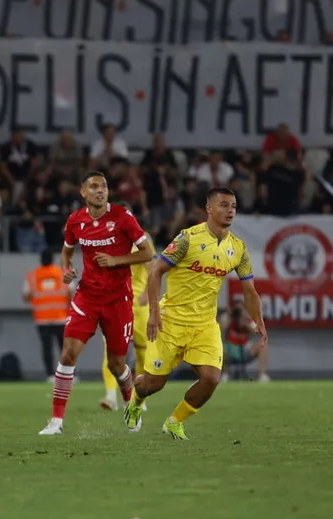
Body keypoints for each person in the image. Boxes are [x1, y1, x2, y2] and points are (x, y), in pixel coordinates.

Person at [126, 188, 268, 440]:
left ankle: (175, 421)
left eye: (233, 206)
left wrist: (259, 320)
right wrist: (154, 313)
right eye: (224, 205)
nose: (230, 210)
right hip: (170, 321)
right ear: (209, 209)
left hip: (204, 324)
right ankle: (136, 400)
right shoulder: (187, 239)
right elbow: (156, 271)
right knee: (152, 384)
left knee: (211, 378)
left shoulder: (238, 248)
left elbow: (249, 291)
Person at [39, 172, 154, 436]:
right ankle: (56, 421)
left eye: (103, 186)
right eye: (94, 186)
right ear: (83, 192)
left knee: (117, 364)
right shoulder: (75, 220)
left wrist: (116, 261)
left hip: (118, 300)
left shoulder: (123, 217)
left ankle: (130, 404)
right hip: (87, 298)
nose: (100, 190)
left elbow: (148, 253)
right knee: (68, 353)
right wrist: (66, 270)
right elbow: (67, 252)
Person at [100, 202, 154, 411]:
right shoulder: (105, 239)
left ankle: (140, 398)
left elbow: (152, 268)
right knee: (111, 352)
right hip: (115, 302)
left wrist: (146, 293)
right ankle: (110, 396)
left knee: (142, 353)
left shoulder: (142, 239)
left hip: (138, 304)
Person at [23, 250, 69, 380]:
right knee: (64, 348)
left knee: (47, 347)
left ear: (40, 260)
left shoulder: (33, 275)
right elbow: (71, 293)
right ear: (53, 260)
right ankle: (68, 374)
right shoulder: (62, 273)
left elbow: (26, 296)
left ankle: (50, 374)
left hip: (42, 318)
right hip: (61, 317)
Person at [221, 297, 269, 382]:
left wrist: (245, 323)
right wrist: (230, 317)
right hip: (230, 348)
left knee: (263, 346)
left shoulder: (247, 319)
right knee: (220, 348)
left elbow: (255, 331)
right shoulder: (227, 317)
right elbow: (221, 328)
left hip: (245, 348)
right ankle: (225, 374)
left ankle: (262, 375)